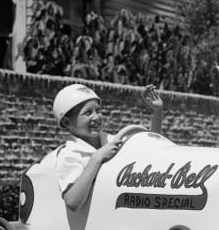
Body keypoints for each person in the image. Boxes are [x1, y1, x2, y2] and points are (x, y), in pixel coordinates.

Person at [53, 83, 163, 212]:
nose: (96, 117)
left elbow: (152, 149)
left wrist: (157, 111)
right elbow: (73, 202)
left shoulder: (112, 140)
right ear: (67, 122)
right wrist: (96, 158)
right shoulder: (69, 155)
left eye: (98, 111)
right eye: (87, 113)